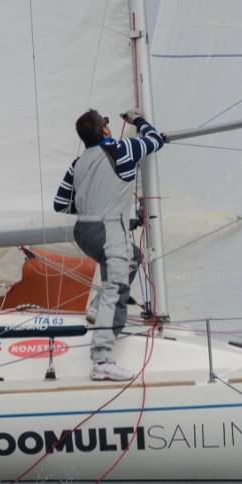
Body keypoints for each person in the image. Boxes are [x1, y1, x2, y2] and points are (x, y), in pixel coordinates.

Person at [53, 108, 165, 381]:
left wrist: (91, 205)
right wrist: (137, 120)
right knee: (116, 287)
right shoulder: (122, 150)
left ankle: (96, 307)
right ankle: (102, 360)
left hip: (84, 231)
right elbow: (154, 140)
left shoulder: (77, 163)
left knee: (133, 258)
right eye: (106, 124)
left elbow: (60, 204)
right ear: (104, 130)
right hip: (108, 229)